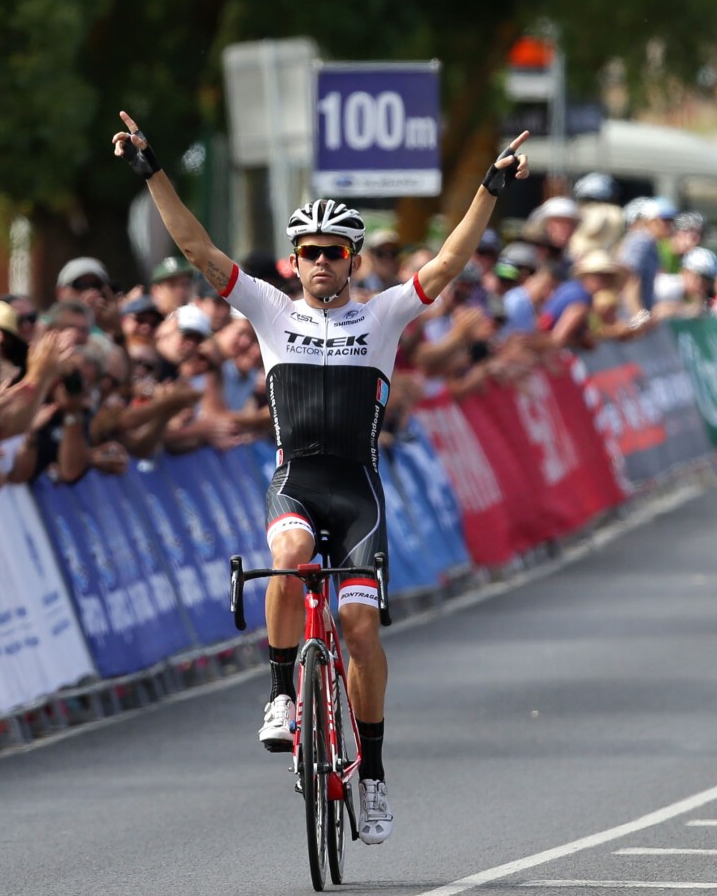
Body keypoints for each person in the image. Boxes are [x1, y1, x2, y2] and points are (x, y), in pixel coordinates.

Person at [113, 109, 530, 846]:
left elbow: (451, 260)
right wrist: (152, 170)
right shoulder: (270, 311)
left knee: (360, 626)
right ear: (295, 260)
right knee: (289, 556)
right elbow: (194, 247)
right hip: (298, 481)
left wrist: (491, 188)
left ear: (353, 258)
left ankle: (369, 773)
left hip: (360, 491)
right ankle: (280, 697)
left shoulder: (384, 316)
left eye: (333, 252)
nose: (319, 263)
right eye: (307, 251)